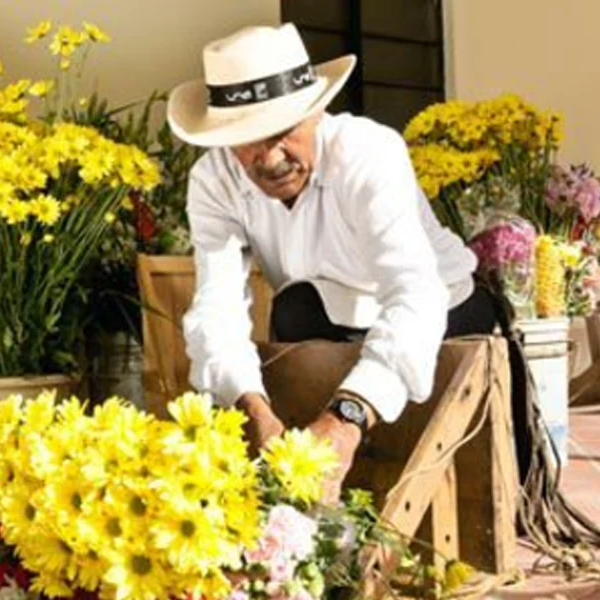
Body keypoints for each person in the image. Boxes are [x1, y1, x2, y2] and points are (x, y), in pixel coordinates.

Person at [168, 23, 500, 501]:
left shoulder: (369, 152)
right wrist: (253, 408)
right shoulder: (213, 179)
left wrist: (345, 419)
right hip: (330, 313)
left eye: (283, 133)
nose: (271, 158)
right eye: (247, 141)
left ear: (317, 113)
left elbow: (414, 293)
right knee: (295, 310)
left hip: (446, 313)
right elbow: (216, 308)